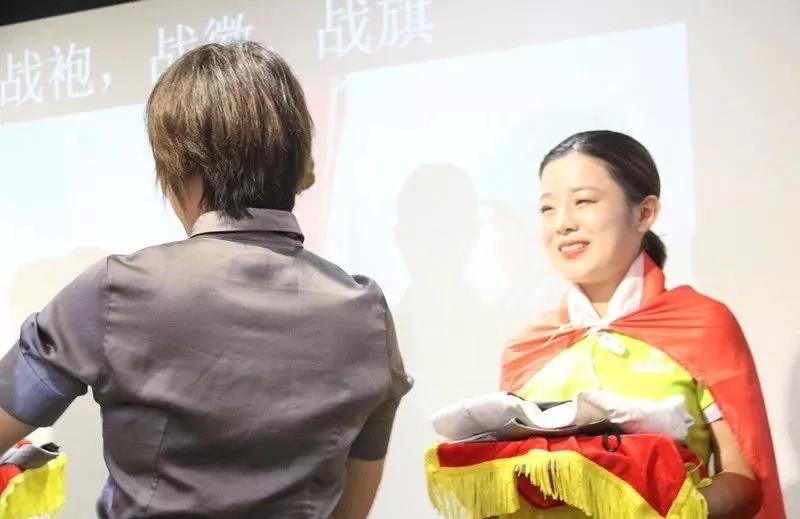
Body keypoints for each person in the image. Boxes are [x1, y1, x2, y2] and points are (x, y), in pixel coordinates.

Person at [0, 41, 412, 519]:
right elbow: (351, 509)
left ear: (185, 168)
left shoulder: (115, 290)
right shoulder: (365, 311)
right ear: (294, 161)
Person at [498, 130, 783, 518]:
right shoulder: (528, 346)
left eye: (583, 201)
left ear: (644, 213)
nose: (562, 223)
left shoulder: (701, 326)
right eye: (547, 208)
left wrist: (672, 509)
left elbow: (742, 478)